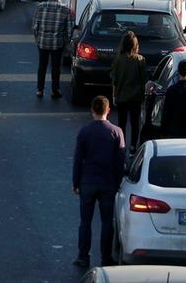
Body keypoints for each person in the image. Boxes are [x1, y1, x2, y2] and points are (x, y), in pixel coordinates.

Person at [72, 95, 126, 269]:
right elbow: (120, 160)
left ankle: (83, 256)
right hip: (108, 182)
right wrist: (118, 182)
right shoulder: (117, 132)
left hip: (87, 181)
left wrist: (76, 181)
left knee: (85, 221)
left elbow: (78, 159)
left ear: (92, 110)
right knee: (106, 222)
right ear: (108, 110)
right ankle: (105, 257)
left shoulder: (85, 131)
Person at [32, 0, 71, 99]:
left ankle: (40, 89)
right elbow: (69, 30)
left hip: (42, 42)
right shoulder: (65, 10)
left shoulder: (40, 7)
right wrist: (66, 42)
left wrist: (38, 38)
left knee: (42, 66)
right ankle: (55, 90)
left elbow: (34, 27)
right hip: (57, 44)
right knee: (56, 67)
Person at [110, 31, 146, 149]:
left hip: (122, 95)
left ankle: (122, 144)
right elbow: (143, 79)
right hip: (136, 97)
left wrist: (114, 95)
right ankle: (133, 146)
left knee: (122, 123)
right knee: (135, 123)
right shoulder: (140, 60)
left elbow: (114, 79)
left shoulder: (118, 59)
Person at [159, 59, 186, 138]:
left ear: (178, 72)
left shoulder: (171, 90)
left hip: (173, 133)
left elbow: (166, 112)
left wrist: (163, 131)